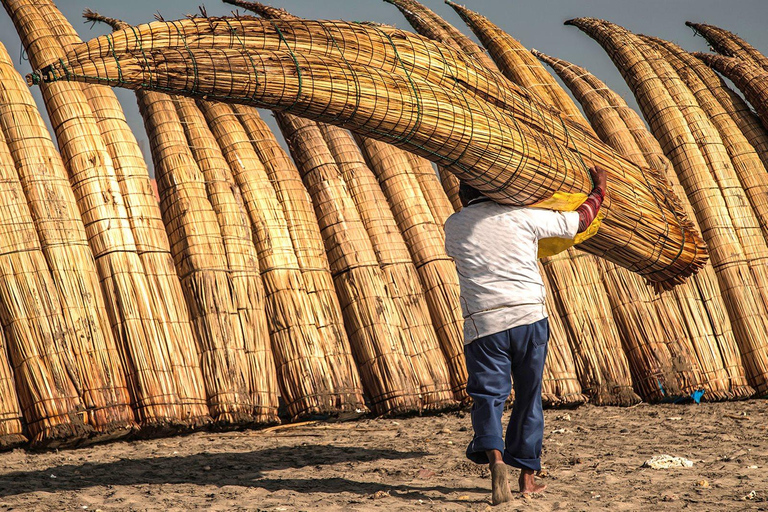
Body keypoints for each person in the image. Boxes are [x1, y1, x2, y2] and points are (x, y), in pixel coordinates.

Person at [444, 166, 607, 505]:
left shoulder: (454, 225)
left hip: (484, 324)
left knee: (488, 397)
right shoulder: (523, 217)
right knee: (529, 396)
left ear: (464, 196)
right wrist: (599, 191)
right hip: (529, 316)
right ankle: (527, 479)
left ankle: (496, 461)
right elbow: (579, 222)